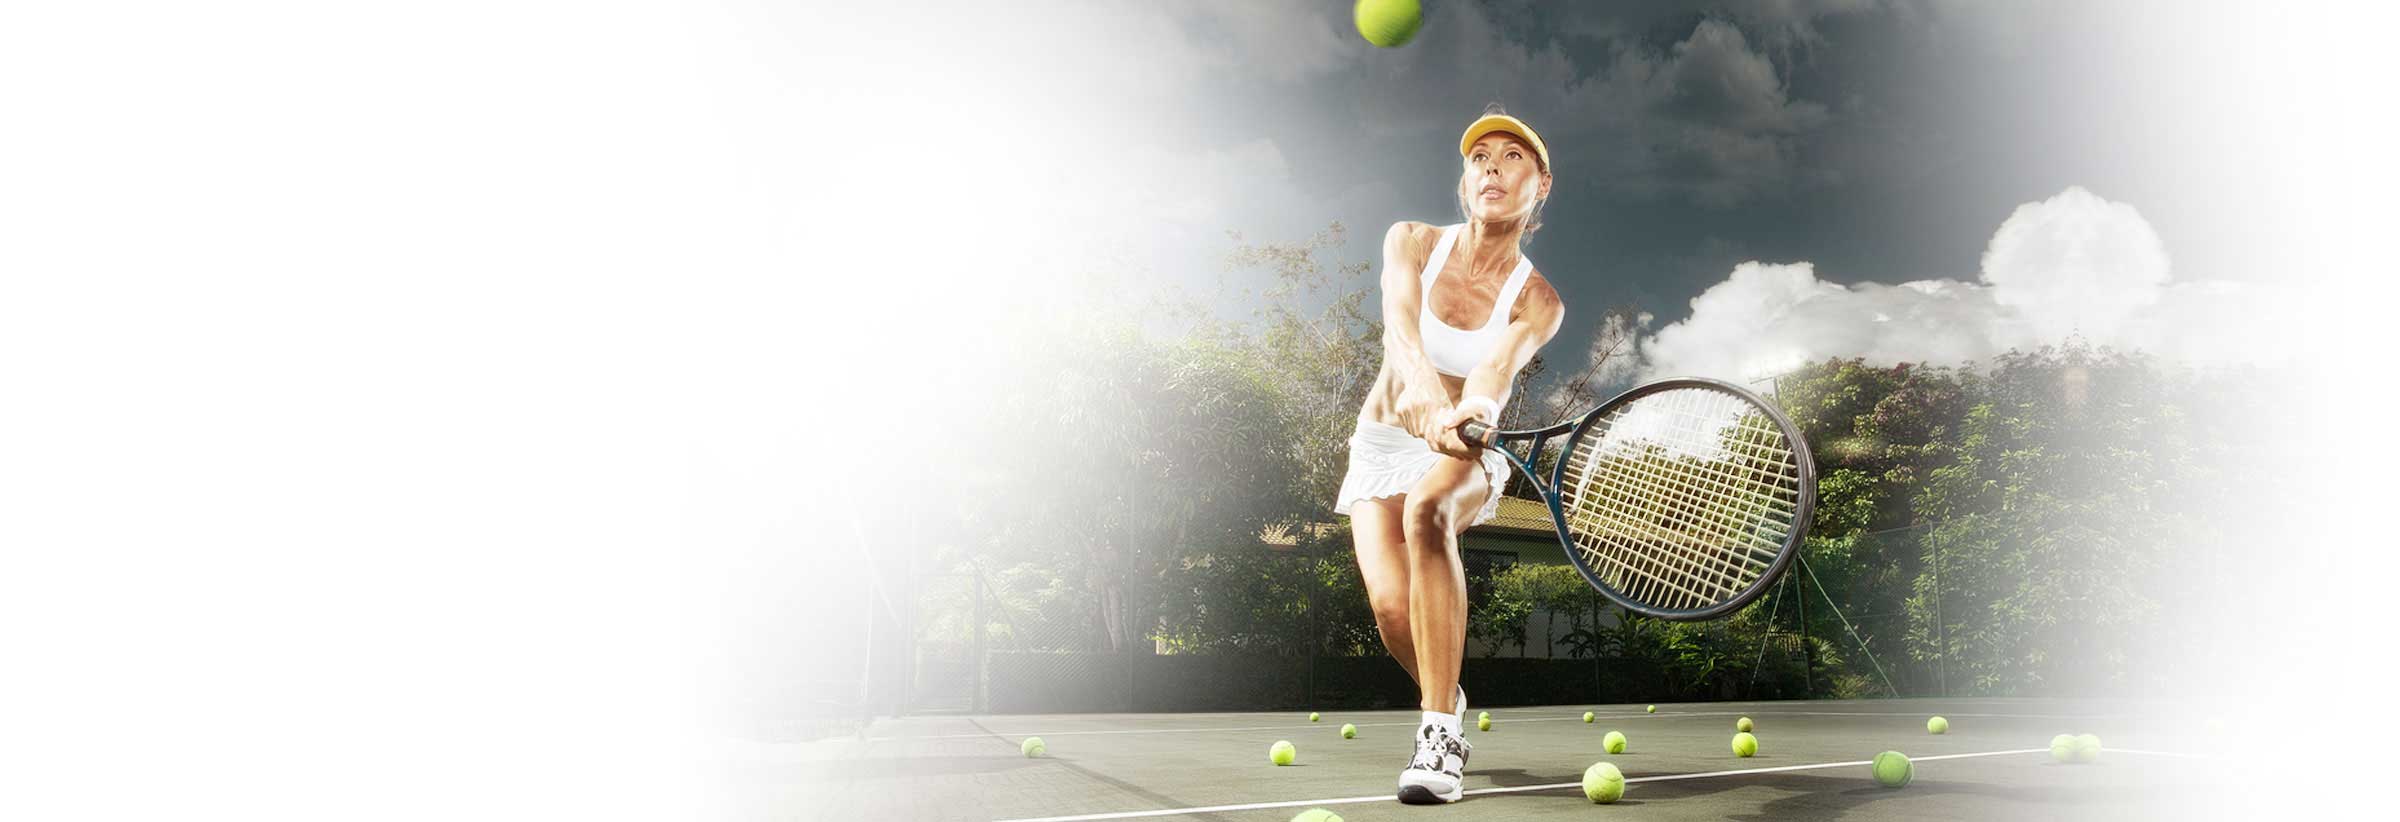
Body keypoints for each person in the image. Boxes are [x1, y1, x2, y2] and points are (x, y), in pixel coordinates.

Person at [1333, 104, 1566, 805]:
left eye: (1512, 157)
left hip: (1461, 449)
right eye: (1479, 158)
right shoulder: (1410, 239)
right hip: (1380, 444)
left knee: (1429, 513)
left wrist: (1474, 411)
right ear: (1465, 183)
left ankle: (1438, 739)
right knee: (1391, 614)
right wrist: (1424, 389)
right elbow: (1399, 322)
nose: (1492, 166)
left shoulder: (1540, 300)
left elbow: (1497, 369)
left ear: (1541, 185)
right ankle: (1450, 691)